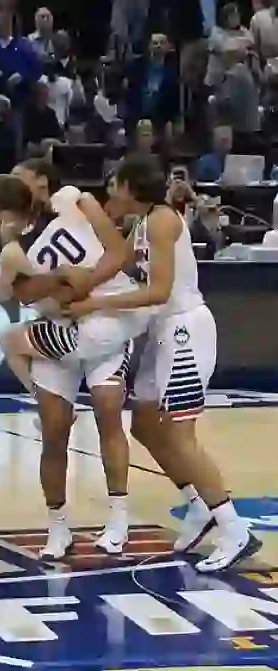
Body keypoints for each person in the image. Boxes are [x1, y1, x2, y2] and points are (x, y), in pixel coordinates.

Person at [66, 153, 261, 573]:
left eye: (114, 183)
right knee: (145, 422)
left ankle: (234, 528)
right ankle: (198, 504)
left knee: (179, 433)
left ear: (132, 186)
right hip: (162, 332)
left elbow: (158, 292)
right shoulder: (140, 224)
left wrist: (96, 302)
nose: (109, 189)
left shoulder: (161, 220)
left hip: (185, 329)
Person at [0, 158, 144, 558]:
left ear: (41, 182)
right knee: (54, 429)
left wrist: (83, 288)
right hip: (63, 329)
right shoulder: (14, 244)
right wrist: (61, 279)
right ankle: (57, 526)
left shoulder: (73, 199)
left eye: (23, 177)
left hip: (103, 317)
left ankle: (118, 516)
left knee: (109, 411)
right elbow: (22, 294)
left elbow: (120, 254)